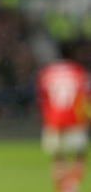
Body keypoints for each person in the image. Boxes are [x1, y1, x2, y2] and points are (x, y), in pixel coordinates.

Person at [37, 58, 91, 192]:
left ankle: (61, 188)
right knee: (80, 154)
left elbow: (41, 98)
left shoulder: (46, 72)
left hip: (53, 119)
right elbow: (85, 96)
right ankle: (73, 187)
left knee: (58, 156)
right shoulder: (79, 70)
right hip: (75, 118)